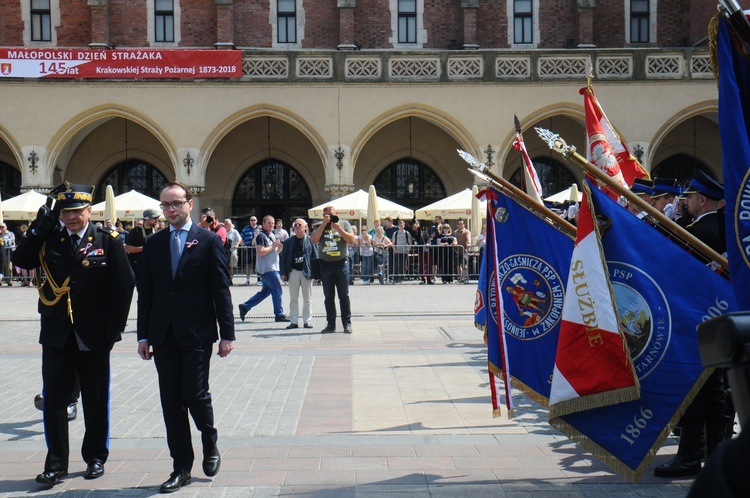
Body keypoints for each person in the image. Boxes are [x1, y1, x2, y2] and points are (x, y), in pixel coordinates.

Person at [12, 182, 135, 486]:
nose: (72, 218)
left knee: (95, 399)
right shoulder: (49, 239)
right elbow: (20, 261)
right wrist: (40, 227)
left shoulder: (107, 240)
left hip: (94, 333)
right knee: (54, 400)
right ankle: (56, 463)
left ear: (89, 211)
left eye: (77, 212)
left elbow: (124, 286)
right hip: (56, 333)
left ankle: (95, 457)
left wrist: (114, 329)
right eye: (66, 212)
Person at [136, 181, 235, 493]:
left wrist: (227, 334)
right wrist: (142, 335)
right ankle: (181, 467)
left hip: (197, 332)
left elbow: (221, 289)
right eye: (166, 205)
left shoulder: (207, 241)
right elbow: (146, 294)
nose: (171, 210)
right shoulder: (154, 244)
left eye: (177, 203)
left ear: (190, 204)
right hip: (163, 335)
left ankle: (209, 438)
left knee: (195, 394)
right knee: (171, 403)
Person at [654, 170, 731, 478]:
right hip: (720, 319)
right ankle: (714, 454)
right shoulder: (726, 231)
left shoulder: (698, 234)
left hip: (696, 319)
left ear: (702, 200)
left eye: (689, 198)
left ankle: (689, 456)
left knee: (698, 390)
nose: (686, 203)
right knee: (715, 392)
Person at [310, 206, 355, 333]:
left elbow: (351, 240)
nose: (330, 217)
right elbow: (313, 240)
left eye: (332, 214)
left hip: (341, 265)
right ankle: (331, 324)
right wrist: (324, 224)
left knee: (344, 296)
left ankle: (347, 324)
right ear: (323, 216)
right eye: (327, 215)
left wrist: (338, 228)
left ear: (337, 214)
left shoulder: (344, 224)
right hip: (325, 265)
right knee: (329, 296)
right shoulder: (319, 225)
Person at [237, 215, 289, 323]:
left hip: (272, 267)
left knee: (266, 291)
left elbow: (275, 251)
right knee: (277, 290)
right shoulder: (261, 236)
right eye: (269, 223)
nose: (271, 225)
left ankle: (245, 307)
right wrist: (274, 246)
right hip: (268, 268)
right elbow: (260, 252)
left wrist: (279, 248)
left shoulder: (272, 235)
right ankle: (279, 314)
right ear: (263, 223)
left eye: (273, 223)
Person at [279, 218, 317, 329]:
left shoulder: (311, 240)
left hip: (307, 272)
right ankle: (294, 321)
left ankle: (307, 321)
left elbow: (315, 257)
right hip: (293, 272)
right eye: (295, 225)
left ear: (305, 227)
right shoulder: (288, 242)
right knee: (293, 298)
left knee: (307, 298)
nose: (297, 226)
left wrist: (316, 273)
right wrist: (283, 273)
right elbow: (283, 258)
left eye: (300, 224)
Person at [124, 208, 161, 288]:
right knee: (142, 292)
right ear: (147, 219)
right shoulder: (136, 231)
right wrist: (144, 248)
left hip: (153, 266)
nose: (157, 220)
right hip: (138, 266)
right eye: (155, 218)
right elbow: (127, 248)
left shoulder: (156, 232)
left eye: (157, 218)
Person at [240, 216, 260, 285]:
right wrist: (243, 245)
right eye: (251, 220)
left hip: (257, 248)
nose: (252, 221)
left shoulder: (259, 229)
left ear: (256, 221)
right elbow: (241, 238)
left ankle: (259, 279)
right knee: (248, 264)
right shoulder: (246, 229)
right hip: (248, 248)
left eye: (254, 220)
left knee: (257, 263)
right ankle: (247, 279)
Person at [453, 218, 472, 283]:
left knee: (465, 265)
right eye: (459, 224)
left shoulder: (467, 231)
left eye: (462, 224)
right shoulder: (455, 232)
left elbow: (468, 238)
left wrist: (469, 242)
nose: (460, 225)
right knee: (458, 265)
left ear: (464, 224)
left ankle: (465, 277)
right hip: (457, 251)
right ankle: (460, 278)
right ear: (457, 225)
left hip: (465, 251)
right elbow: (454, 240)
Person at [224, 218, 241, 285]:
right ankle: (227, 279)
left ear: (230, 224)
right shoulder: (223, 231)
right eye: (225, 224)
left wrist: (237, 244)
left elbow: (239, 239)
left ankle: (231, 279)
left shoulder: (234, 231)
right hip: (225, 250)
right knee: (226, 265)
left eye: (226, 224)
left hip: (233, 250)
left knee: (232, 265)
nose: (225, 225)